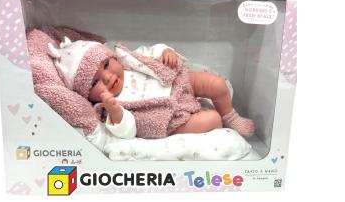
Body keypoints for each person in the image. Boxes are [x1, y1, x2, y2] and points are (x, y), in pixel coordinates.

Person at [48, 37, 255, 139]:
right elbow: (127, 132)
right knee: (213, 119)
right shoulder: (107, 107)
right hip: (170, 117)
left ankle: (230, 115)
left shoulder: (130, 61)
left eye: (106, 65)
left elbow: (152, 50)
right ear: (87, 95)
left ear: (112, 57)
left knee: (216, 84)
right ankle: (220, 119)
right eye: (95, 83)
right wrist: (116, 113)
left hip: (179, 83)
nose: (108, 77)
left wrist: (166, 52)